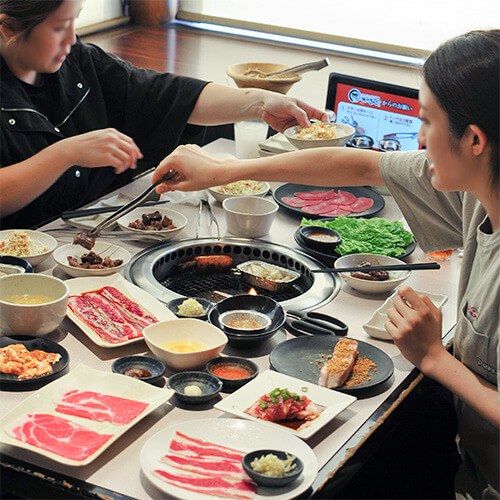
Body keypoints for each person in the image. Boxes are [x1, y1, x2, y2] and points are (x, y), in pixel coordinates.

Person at [153, 29, 500, 498]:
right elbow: (361, 167)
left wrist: (435, 357)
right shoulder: (478, 195)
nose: (418, 138)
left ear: (475, 140)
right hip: (469, 457)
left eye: (427, 122)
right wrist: (223, 171)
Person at [0, 0, 327, 229]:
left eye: (75, 21)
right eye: (59, 28)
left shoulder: (78, 60)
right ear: (8, 29)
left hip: (100, 227)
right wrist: (64, 153)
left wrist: (258, 102)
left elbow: (161, 93)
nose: (72, 38)